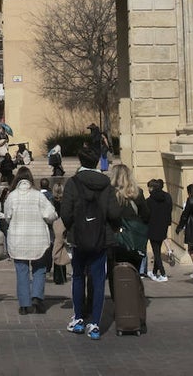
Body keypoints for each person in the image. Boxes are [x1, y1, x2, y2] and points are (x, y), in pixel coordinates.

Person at [60, 145, 122, 341]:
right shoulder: (107, 184)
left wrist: (73, 228)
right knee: (98, 280)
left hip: (79, 238)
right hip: (100, 239)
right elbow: (114, 213)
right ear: (97, 162)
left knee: (78, 277)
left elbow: (65, 213)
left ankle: (78, 319)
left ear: (80, 162)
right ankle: (95, 324)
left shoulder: (73, 183)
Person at [3, 167, 58, 315]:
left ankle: (24, 305)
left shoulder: (12, 196)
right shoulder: (38, 196)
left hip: (18, 239)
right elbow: (51, 214)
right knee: (39, 269)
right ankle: (37, 298)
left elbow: (7, 216)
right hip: (38, 238)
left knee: (22, 271)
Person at [108, 163, 149, 280]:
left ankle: (118, 295)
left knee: (114, 272)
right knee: (133, 271)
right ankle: (131, 295)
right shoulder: (137, 193)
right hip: (133, 239)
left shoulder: (109, 193)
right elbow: (146, 215)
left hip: (114, 238)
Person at [145, 179, 172, 282]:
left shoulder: (149, 201)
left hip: (152, 228)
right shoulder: (166, 198)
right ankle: (155, 272)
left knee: (156, 252)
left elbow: (146, 215)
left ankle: (163, 274)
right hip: (163, 227)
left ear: (151, 188)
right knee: (158, 249)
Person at [50, 179, 70, 285]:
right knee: (62, 250)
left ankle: (57, 276)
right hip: (63, 226)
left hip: (54, 226)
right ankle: (62, 276)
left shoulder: (52, 201)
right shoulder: (66, 202)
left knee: (56, 250)